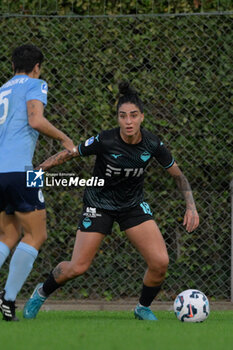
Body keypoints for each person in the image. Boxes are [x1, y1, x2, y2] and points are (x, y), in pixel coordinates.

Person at [23, 81, 199, 321]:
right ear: (117, 118)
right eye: (123, 116)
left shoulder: (153, 144)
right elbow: (70, 153)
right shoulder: (105, 140)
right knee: (78, 267)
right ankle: (40, 293)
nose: (128, 121)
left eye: (133, 116)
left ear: (142, 118)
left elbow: (179, 175)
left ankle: (142, 308)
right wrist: (39, 170)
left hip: (132, 206)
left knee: (160, 263)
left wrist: (191, 206)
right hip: (98, 205)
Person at [0, 44, 76, 322]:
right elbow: (35, 119)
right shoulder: (35, 83)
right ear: (36, 67)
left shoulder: (2, 90)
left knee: (7, 236)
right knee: (37, 235)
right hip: (22, 171)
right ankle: (7, 299)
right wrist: (65, 139)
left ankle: (6, 300)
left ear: (12, 67)